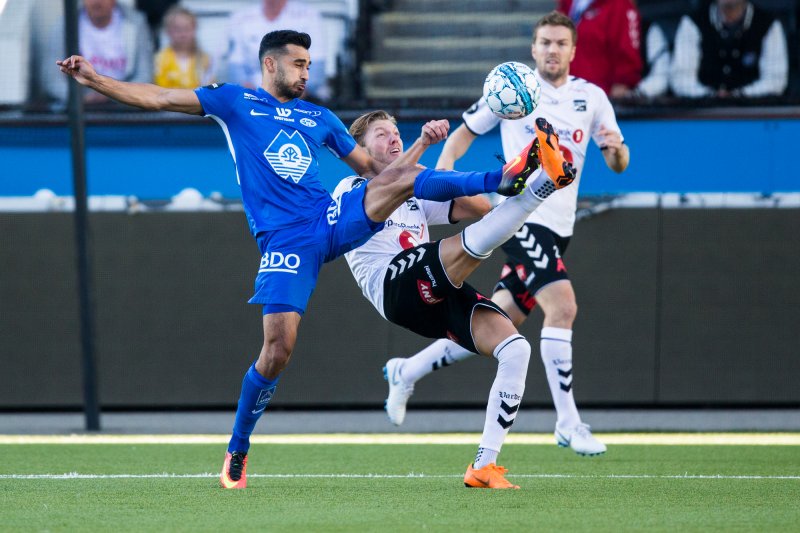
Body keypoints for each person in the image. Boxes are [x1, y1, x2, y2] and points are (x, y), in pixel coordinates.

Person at [56, 30, 539, 490]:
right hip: (286, 241)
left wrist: (419, 150)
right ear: (271, 64)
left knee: (404, 181)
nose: (306, 72)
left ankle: (506, 177)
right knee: (278, 349)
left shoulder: (320, 117)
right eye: (298, 64)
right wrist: (96, 80)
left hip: (330, 217)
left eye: (309, 64)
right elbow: (159, 98)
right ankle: (238, 446)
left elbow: (379, 172)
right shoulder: (234, 101)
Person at [382, 11, 630, 457]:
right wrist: (443, 179)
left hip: (560, 226)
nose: (552, 50)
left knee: (501, 321)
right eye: (544, 42)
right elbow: (459, 137)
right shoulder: (514, 88)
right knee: (563, 306)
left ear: (573, 51)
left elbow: (618, 161)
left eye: (560, 43)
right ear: (533, 48)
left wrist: (615, 151)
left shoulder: (591, 97)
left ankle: (407, 370)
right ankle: (569, 423)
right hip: (520, 218)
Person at [336, 111, 576, 489]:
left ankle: (484, 466)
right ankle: (544, 185)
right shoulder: (350, 188)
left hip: (430, 289)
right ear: (358, 151)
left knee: (515, 349)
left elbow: (481, 211)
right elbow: (391, 182)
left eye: (398, 133)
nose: (394, 139)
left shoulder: (413, 195)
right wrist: (426, 146)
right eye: (382, 135)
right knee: (461, 247)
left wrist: (496, 187)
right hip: (392, 286)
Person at [42, 0, 153, 107]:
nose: (97, 1)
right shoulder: (65, 24)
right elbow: (52, 79)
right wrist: (81, 98)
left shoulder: (135, 22)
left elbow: (145, 74)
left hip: (125, 108)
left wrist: (115, 93)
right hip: (81, 110)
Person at [670, 0, 788, 98]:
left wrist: (738, 96)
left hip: (753, 115)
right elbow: (682, 80)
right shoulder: (692, 23)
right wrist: (712, 96)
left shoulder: (768, 24)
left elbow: (775, 81)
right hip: (703, 115)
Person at [225, 0, 329, 100]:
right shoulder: (240, 17)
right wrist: (253, 98)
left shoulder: (309, 15)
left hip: (300, 98)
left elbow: (316, 70)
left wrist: (291, 96)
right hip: (253, 98)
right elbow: (235, 69)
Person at [557, 0, 642, 97]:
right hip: (567, 93)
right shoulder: (569, 4)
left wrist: (623, 83)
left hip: (598, 96)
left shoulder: (619, 5)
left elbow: (627, 51)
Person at [154, 6, 214, 89]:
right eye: (177, 29)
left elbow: (210, 88)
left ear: (195, 29)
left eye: (187, 29)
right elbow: (158, 89)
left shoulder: (205, 59)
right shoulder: (160, 59)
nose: (183, 34)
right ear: (168, 31)